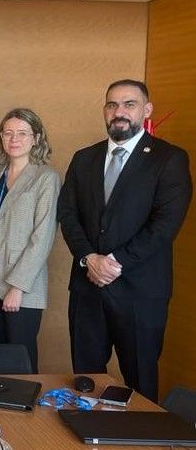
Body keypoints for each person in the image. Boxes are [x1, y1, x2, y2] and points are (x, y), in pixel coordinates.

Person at [58, 80, 191, 401]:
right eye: (112, 105)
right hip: (87, 288)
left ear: (147, 110)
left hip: (140, 292)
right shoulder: (84, 158)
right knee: (86, 382)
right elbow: (68, 214)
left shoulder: (169, 159)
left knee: (140, 382)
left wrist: (114, 263)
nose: (119, 112)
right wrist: (89, 258)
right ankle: (88, 433)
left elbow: (165, 225)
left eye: (129, 104)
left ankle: (139, 436)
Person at [0, 109, 60, 373]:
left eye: (22, 133)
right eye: (8, 133)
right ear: (1, 138)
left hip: (23, 289)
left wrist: (18, 287)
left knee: (21, 360)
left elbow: (42, 238)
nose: (14, 139)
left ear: (36, 138)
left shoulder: (46, 178)